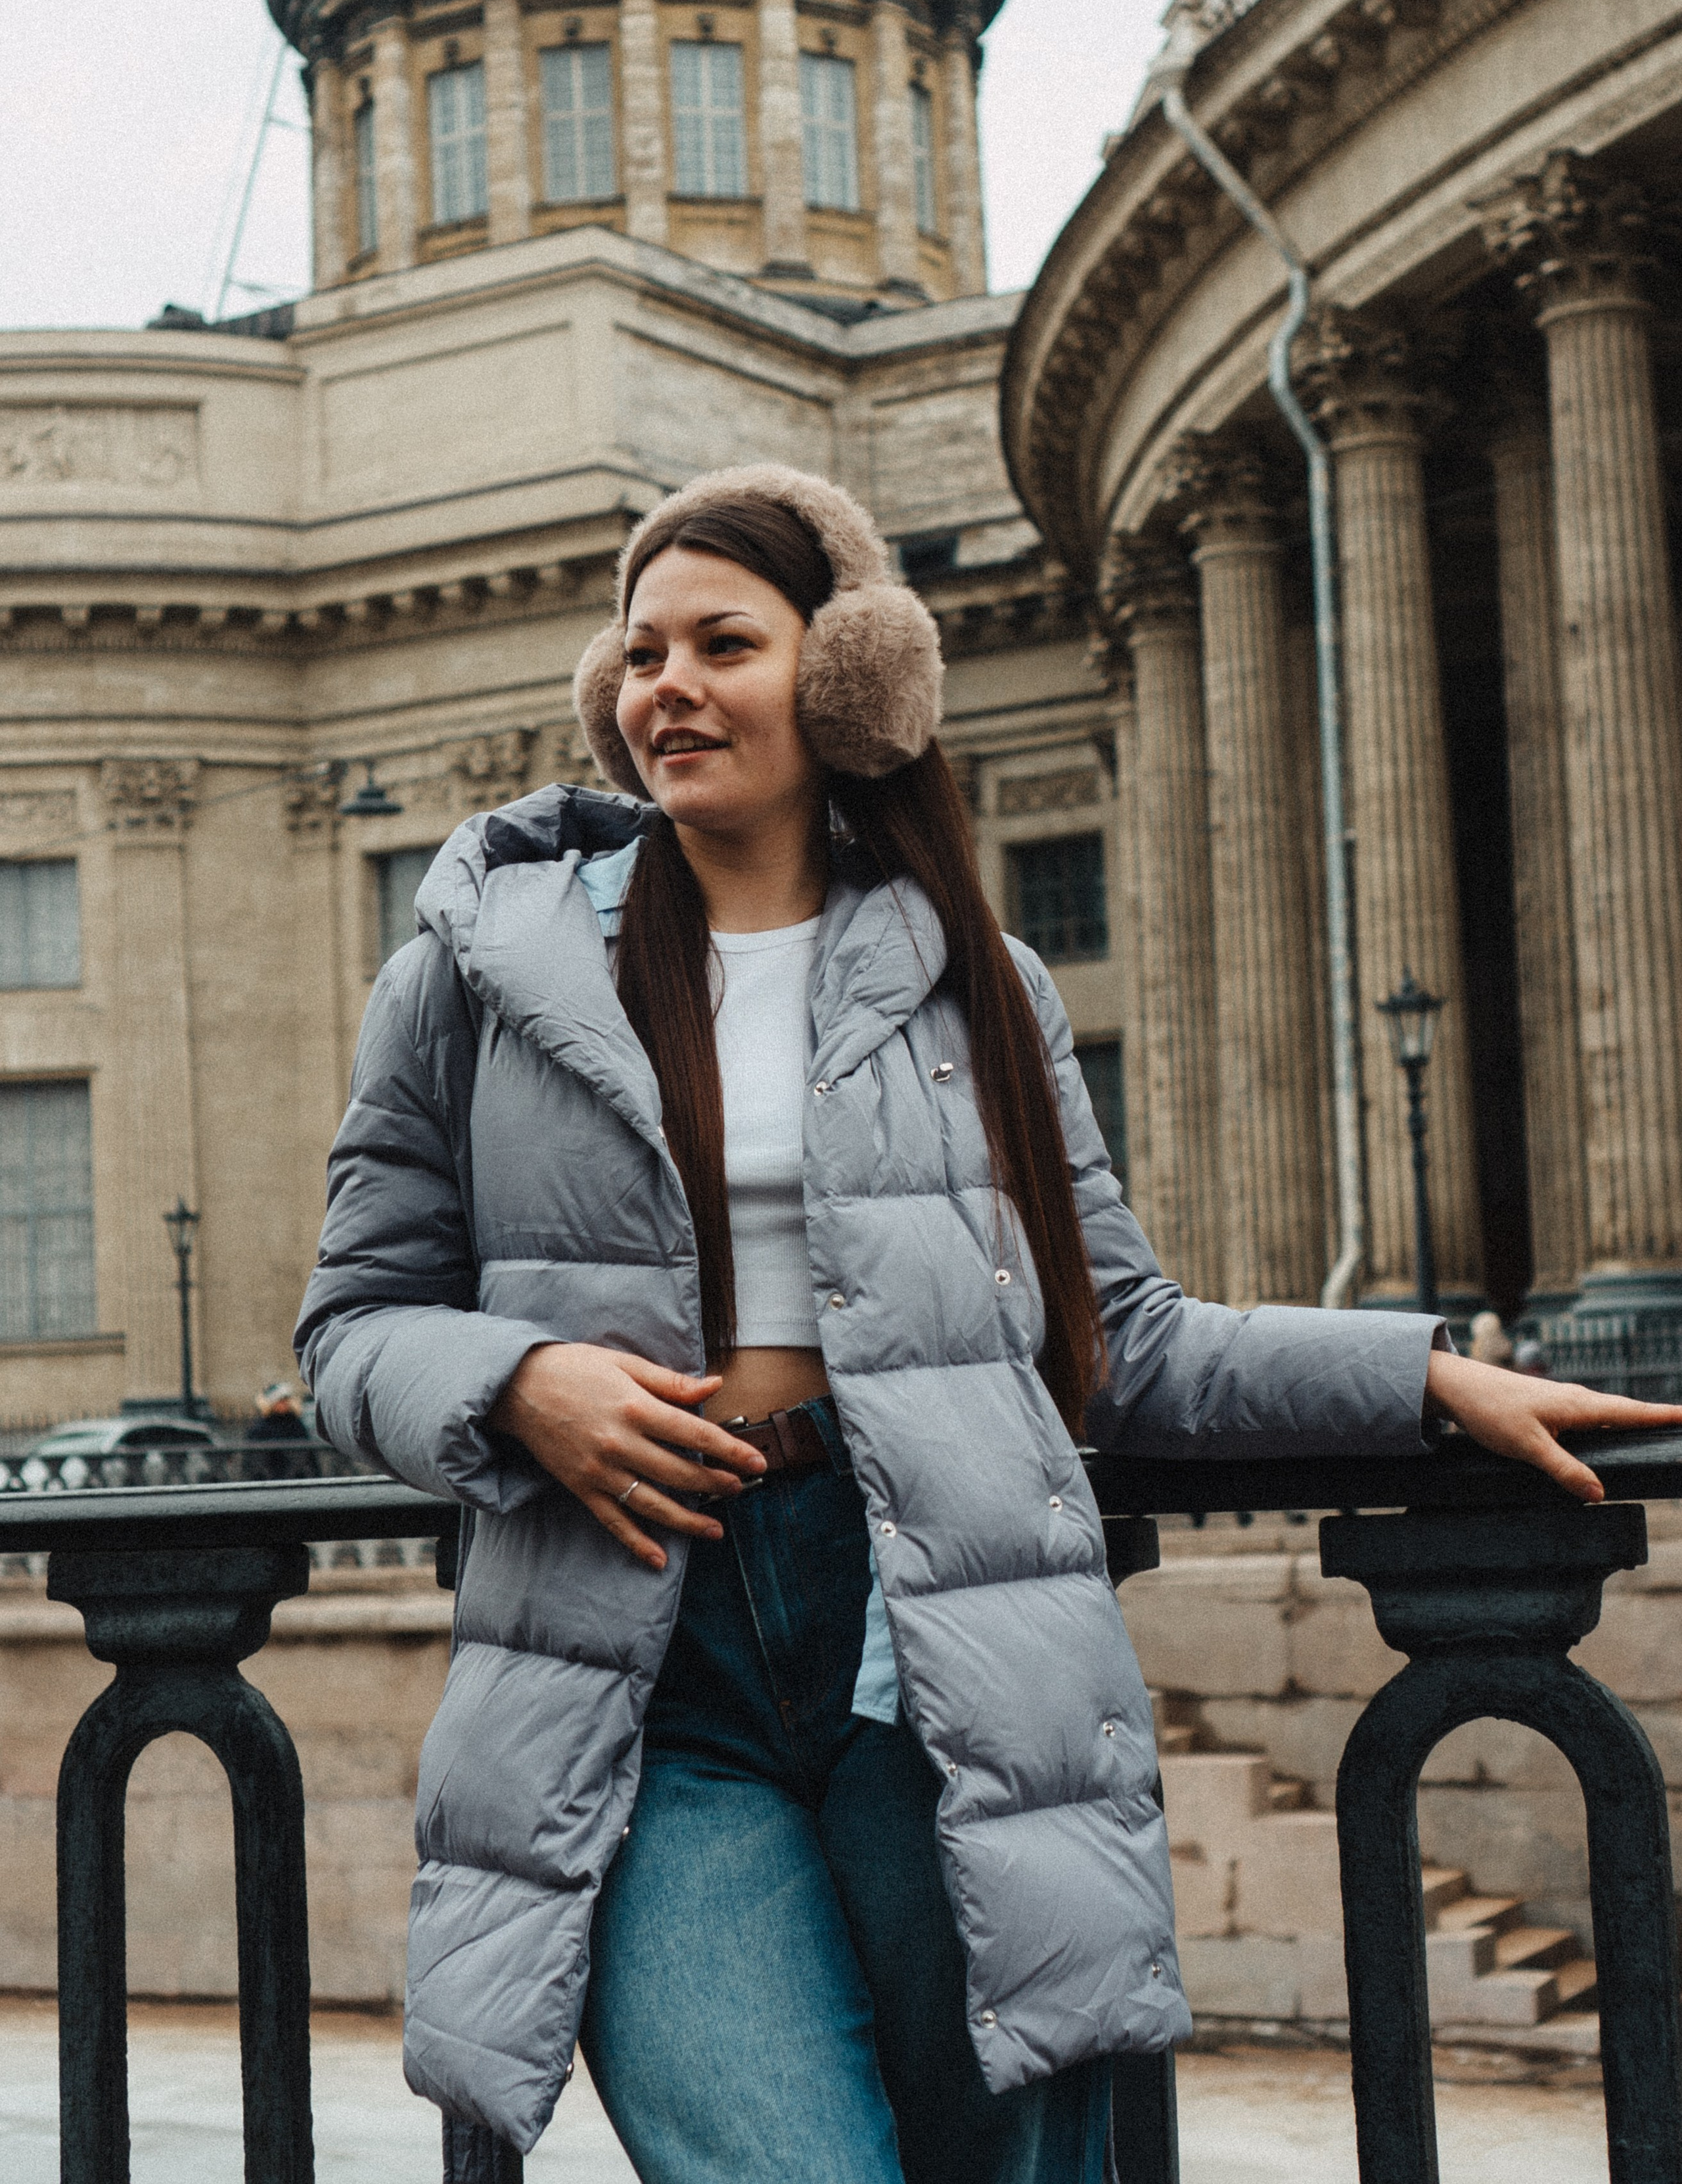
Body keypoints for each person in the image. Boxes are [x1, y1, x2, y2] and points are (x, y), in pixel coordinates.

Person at [294, 464, 1682, 2184]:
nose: (668, 688)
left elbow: (1124, 1345)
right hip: (639, 1667)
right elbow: (350, 1329)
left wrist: (1424, 1375)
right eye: (641, 654)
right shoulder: (474, 974)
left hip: (932, 1651)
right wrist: (518, 1382)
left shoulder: (981, 982)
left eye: (722, 644)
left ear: (848, 678)